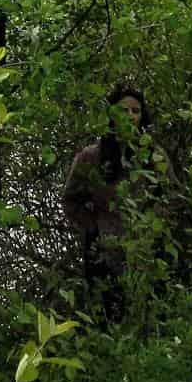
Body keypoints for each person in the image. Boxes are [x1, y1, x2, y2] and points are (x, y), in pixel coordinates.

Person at [61, 82, 147, 323]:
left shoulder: (153, 156)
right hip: (103, 254)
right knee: (107, 321)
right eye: (123, 110)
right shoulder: (91, 156)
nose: (130, 116)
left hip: (145, 255)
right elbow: (70, 200)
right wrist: (93, 227)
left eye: (135, 111)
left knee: (143, 321)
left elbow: (172, 197)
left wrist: (154, 227)